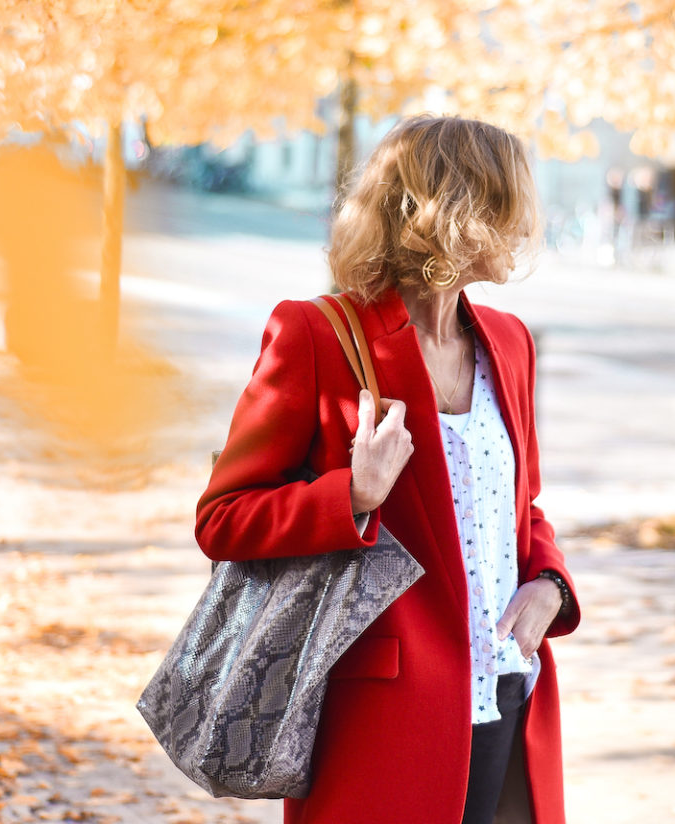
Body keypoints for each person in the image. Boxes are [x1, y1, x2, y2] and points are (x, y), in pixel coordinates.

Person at [194, 115, 580, 824]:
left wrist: (552, 585)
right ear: (459, 213)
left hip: (506, 691)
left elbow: (523, 508)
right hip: (383, 722)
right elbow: (222, 519)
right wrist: (352, 495)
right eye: (507, 205)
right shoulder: (315, 335)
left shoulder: (509, 341)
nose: (524, 227)